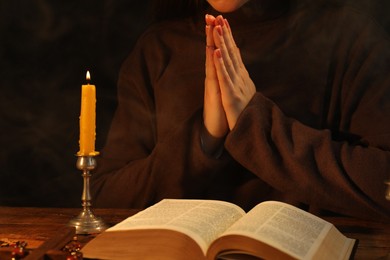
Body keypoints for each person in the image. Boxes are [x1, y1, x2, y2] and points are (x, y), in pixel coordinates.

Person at [91, 0, 390, 221]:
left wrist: (255, 127)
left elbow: (384, 185)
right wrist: (204, 138)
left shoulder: (349, 38)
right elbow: (107, 198)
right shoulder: (158, 48)